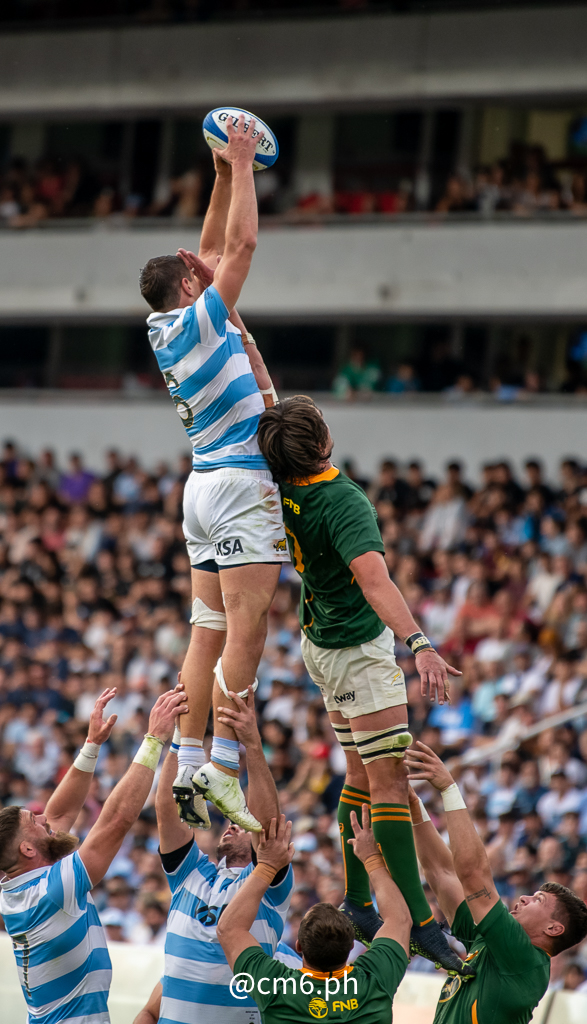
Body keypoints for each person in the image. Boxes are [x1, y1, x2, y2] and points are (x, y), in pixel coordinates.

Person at [256, 396, 470, 974]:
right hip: (356, 650)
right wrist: (420, 643)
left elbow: (274, 411)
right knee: (390, 783)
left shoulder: (279, 478)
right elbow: (374, 582)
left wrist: (241, 333)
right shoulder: (342, 499)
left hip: (321, 640)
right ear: (320, 439)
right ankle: (422, 923)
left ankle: (356, 899)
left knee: (359, 775)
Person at [139, 114, 288, 833]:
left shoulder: (171, 324)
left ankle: (191, 758)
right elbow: (242, 245)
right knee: (248, 630)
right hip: (237, 489)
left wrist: (227, 176)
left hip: (201, 487)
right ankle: (221, 768)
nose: (208, 278)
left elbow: (207, 251)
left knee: (205, 632)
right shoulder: (202, 321)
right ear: (186, 295)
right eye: (198, 283)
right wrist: (241, 160)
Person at [0, 685, 187, 1024]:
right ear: (27, 849)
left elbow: (57, 816)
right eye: (34, 821)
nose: (45, 818)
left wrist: (91, 745)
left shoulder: (14, 882)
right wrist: (154, 740)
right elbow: (116, 821)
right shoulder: (52, 891)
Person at [139, 685, 295, 1024]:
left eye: (239, 820)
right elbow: (168, 810)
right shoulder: (190, 874)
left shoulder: (266, 882)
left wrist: (252, 745)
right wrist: (182, 738)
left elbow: (265, 824)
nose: (231, 824)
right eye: (227, 819)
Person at [405, 741, 587, 1023]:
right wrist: (412, 803)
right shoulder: (493, 945)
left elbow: (472, 874)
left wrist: (449, 789)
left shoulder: (526, 960)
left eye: (537, 900)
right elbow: (442, 874)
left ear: (553, 928)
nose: (524, 898)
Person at [217, 808, 411, 1024]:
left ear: (299, 946)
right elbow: (400, 919)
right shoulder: (375, 979)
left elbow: (228, 928)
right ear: (350, 948)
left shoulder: (275, 987)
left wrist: (267, 866)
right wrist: (372, 858)